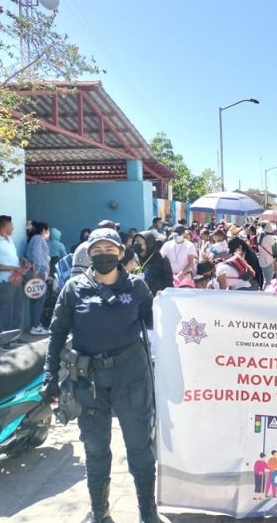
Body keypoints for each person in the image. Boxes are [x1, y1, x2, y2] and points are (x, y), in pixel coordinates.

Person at [40, 228, 160, 523]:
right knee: (95, 449)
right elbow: (56, 334)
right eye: (96, 249)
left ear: (121, 253)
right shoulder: (73, 288)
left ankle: (147, 512)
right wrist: (49, 376)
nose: (102, 254)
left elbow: (160, 323)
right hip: (89, 380)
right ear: (89, 254)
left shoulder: (137, 288)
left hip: (131, 377)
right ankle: (100, 512)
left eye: (109, 248)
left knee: (140, 447)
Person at [0, 215, 29, 338]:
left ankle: (14, 337)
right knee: (5, 310)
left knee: (17, 309)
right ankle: (1, 340)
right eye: (11, 225)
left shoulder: (9, 240)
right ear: (4, 226)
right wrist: (14, 268)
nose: (13, 227)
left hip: (16, 279)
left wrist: (22, 260)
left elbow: (11, 257)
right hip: (4, 281)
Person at [26, 221, 51, 336]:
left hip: (40, 272)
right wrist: (37, 270)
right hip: (38, 272)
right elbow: (36, 254)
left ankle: (37, 324)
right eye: (47, 230)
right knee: (39, 300)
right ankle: (35, 326)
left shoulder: (37, 238)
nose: (48, 233)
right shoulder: (37, 238)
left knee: (38, 299)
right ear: (43, 230)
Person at [132, 231, 173, 296]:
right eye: (134, 241)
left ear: (148, 243)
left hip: (156, 298)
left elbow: (168, 281)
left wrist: (165, 294)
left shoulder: (161, 258)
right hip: (139, 298)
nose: (135, 243)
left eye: (138, 241)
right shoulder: (134, 258)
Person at [257, 222, 277, 288]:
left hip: (263, 261)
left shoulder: (260, 236)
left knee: (266, 280)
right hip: (268, 261)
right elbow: (275, 248)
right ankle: (266, 294)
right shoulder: (269, 238)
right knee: (268, 281)